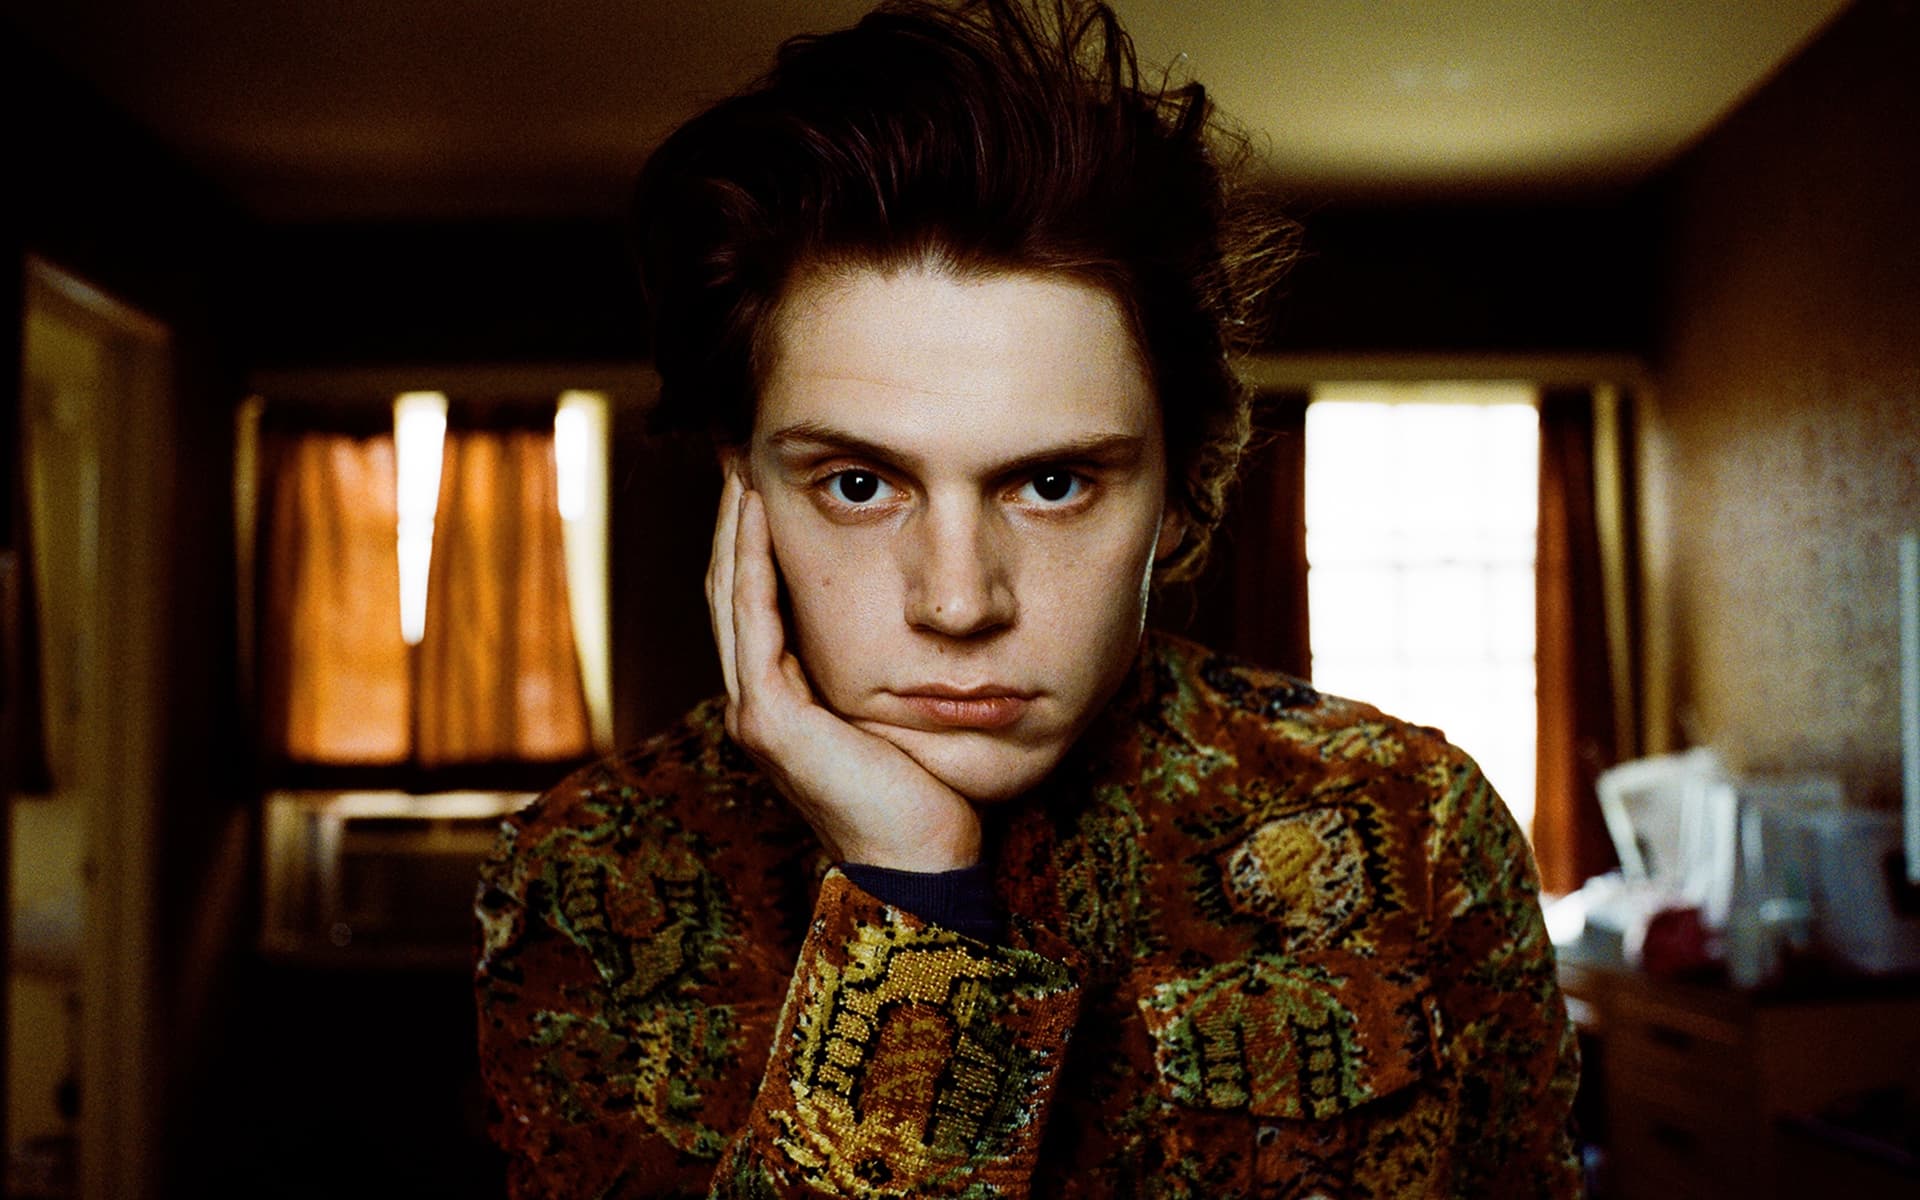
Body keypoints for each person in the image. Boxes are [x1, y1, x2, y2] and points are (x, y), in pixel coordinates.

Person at [473, 1, 1582, 1196]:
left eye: (1052, 483)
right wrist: (913, 897)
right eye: (859, 484)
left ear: (1182, 494)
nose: (958, 604)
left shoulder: (1413, 824)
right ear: (745, 493)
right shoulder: (594, 870)